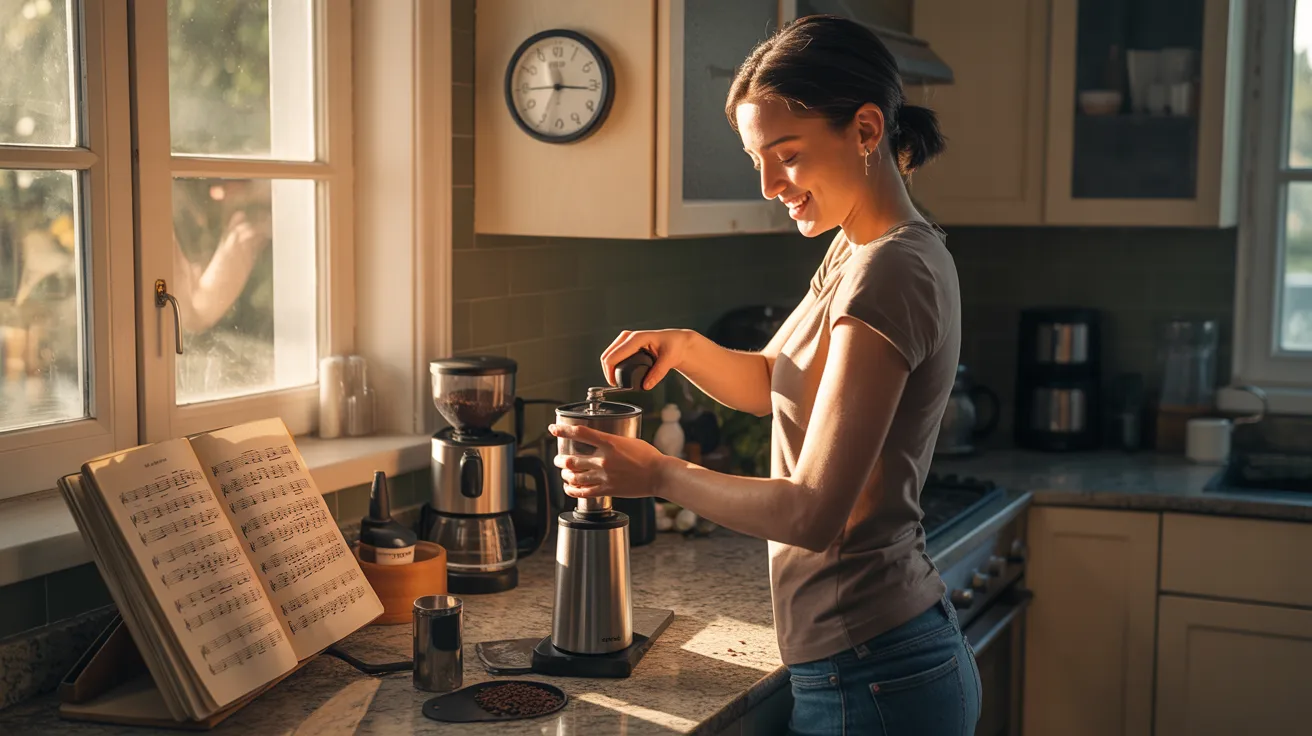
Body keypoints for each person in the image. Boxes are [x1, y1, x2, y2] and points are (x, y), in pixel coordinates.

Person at [548, 15, 979, 736]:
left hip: (874, 674)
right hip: (872, 661)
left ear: (866, 129)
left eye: (787, 155)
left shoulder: (890, 270)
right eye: (757, 159)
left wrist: (657, 475)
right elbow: (769, 379)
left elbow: (813, 514)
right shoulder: (858, 249)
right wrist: (685, 347)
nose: (771, 184)